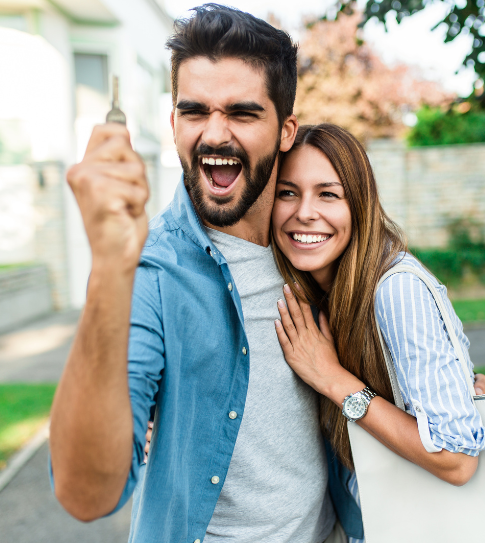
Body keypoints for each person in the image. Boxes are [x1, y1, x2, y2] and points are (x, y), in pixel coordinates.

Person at [50, 5, 341, 542]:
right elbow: (86, 495)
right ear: (173, 122)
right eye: (194, 111)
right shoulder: (152, 271)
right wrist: (111, 269)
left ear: (285, 130)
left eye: (242, 113)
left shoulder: (317, 248)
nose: (214, 135)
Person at [269, 124, 485, 541]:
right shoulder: (322, 291)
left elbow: (458, 459)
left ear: (360, 204)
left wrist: (334, 380)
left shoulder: (395, 289)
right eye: (287, 192)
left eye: (328, 194)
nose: (304, 212)